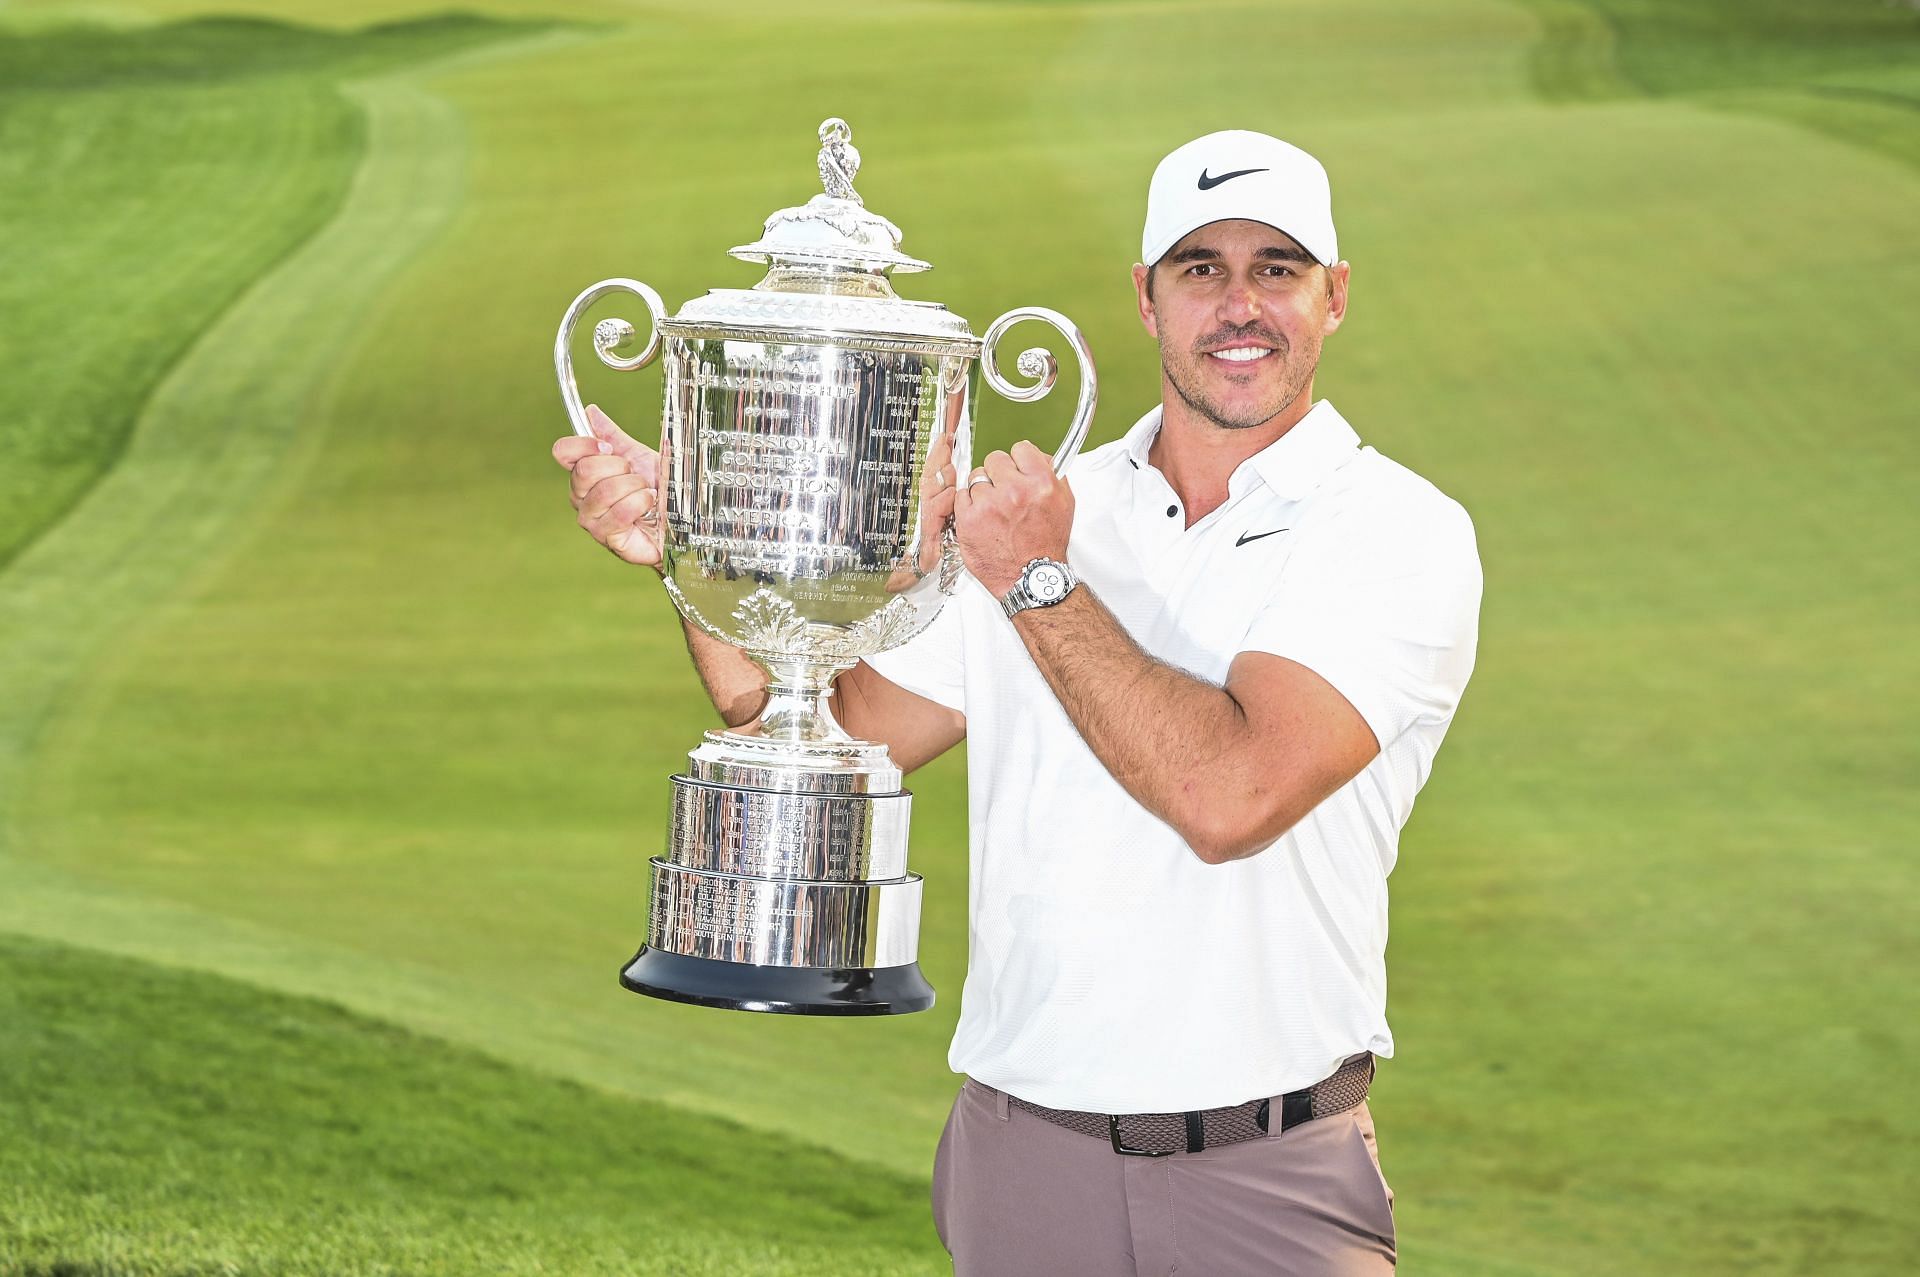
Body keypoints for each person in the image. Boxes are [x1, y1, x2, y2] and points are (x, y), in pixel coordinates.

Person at [555, 129, 1482, 1276]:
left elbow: (1227, 795)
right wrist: (688, 555)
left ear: (1334, 296)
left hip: (1266, 1172)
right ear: (1144, 301)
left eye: (1276, 269)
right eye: (1200, 269)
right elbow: (807, 725)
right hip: (1022, 1157)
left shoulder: (1393, 528)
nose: (1239, 305)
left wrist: (1037, 579)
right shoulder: (1051, 503)